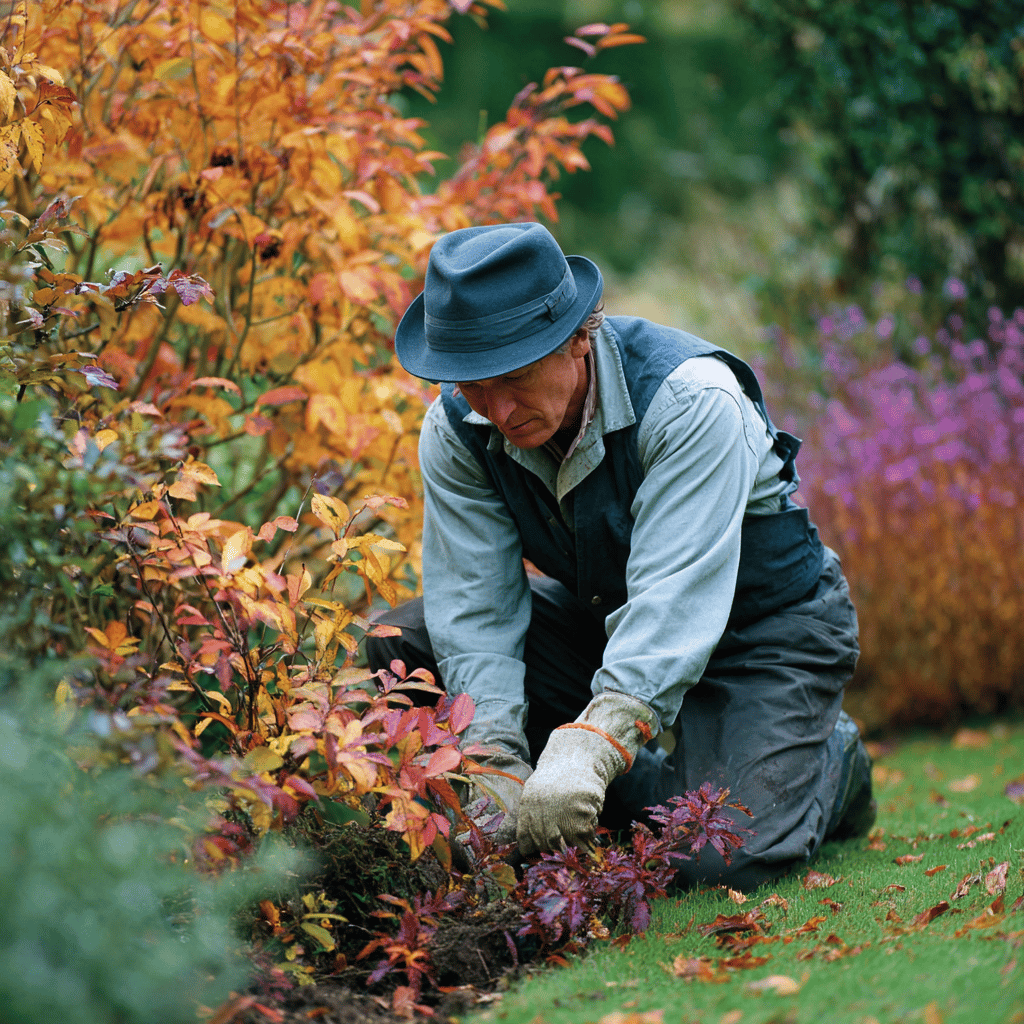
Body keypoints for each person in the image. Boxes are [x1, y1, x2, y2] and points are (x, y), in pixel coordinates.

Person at [366, 221, 875, 890]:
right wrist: (493, 765)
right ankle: (659, 779)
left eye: (514, 378)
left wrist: (593, 744)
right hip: (609, 623)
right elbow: (475, 607)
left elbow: (674, 601)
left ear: (580, 337)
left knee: (719, 860)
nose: (498, 408)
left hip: (761, 634)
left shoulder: (690, 400)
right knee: (403, 642)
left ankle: (830, 762)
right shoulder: (460, 429)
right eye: (474, 385)